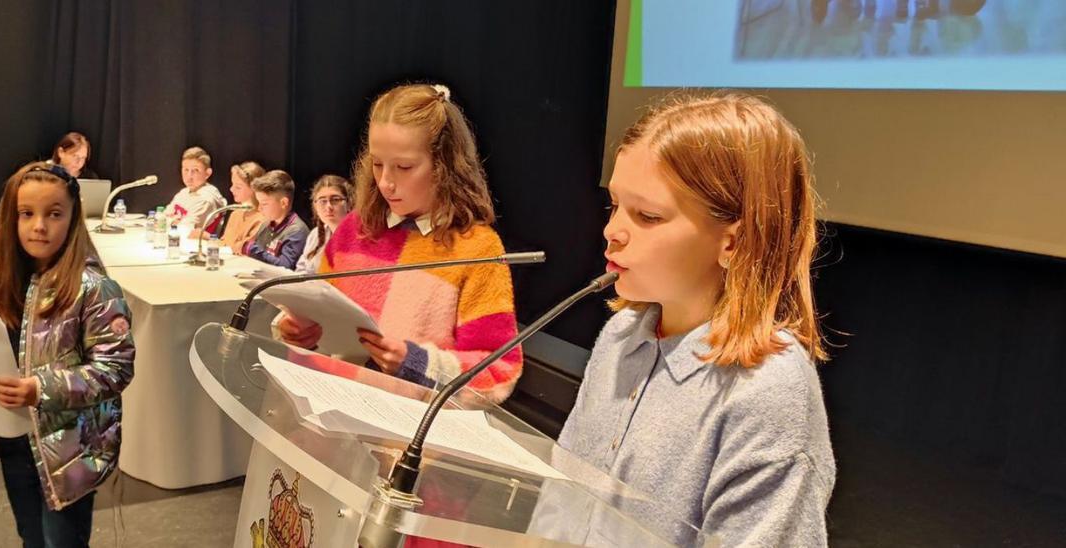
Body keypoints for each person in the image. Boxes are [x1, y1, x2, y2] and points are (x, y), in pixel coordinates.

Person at [556, 93, 835, 546]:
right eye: (614, 205)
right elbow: (561, 499)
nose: (611, 231)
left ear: (734, 244)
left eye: (647, 216)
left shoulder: (766, 389)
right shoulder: (620, 336)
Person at [277, 83, 523, 403]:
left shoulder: (478, 248)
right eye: (377, 164)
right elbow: (318, 309)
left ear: (444, 164)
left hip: (406, 439)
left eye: (404, 167)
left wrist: (418, 363)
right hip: (327, 416)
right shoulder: (354, 228)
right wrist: (297, 331)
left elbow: (500, 370)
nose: (386, 182)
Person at [0, 161, 134, 547]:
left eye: (54, 214)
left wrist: (39, 389)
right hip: (15, 440)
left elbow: (115, 368)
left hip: (72, 449)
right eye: (26, 214)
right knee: (31, 536)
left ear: (73, 219)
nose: (39, 225)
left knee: (62, 540)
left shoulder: (94, 288)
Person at [244, 170, 309, 269]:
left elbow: (285, 267)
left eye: (264, 203)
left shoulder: (297, 231)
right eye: (259, 203)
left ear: (283, 203)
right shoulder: (265, 225)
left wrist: (251, 249)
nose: (259, 208)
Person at [293, 174, 353, 274]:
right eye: (322, 201)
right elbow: (301, 270)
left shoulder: (360, 236)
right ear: (315, 207)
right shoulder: (315, 234)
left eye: (335, 199)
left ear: (349, 203)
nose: (328, 206)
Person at [166, 146, 228, 239]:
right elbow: (162, 218)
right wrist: (173, 221)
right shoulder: (184, 191)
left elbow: (185, 229)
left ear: (207, 173)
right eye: (186, 170)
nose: (189, 176)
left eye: (195, 171)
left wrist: (173, 220)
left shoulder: (206, 199)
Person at [216, 161, 267, 253]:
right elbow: (223, 242)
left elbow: (246, 250)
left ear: (254, 189)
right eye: (232, 184)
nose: (231, 189)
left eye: (238, 187)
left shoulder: (262, 219)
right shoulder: (235, 214)